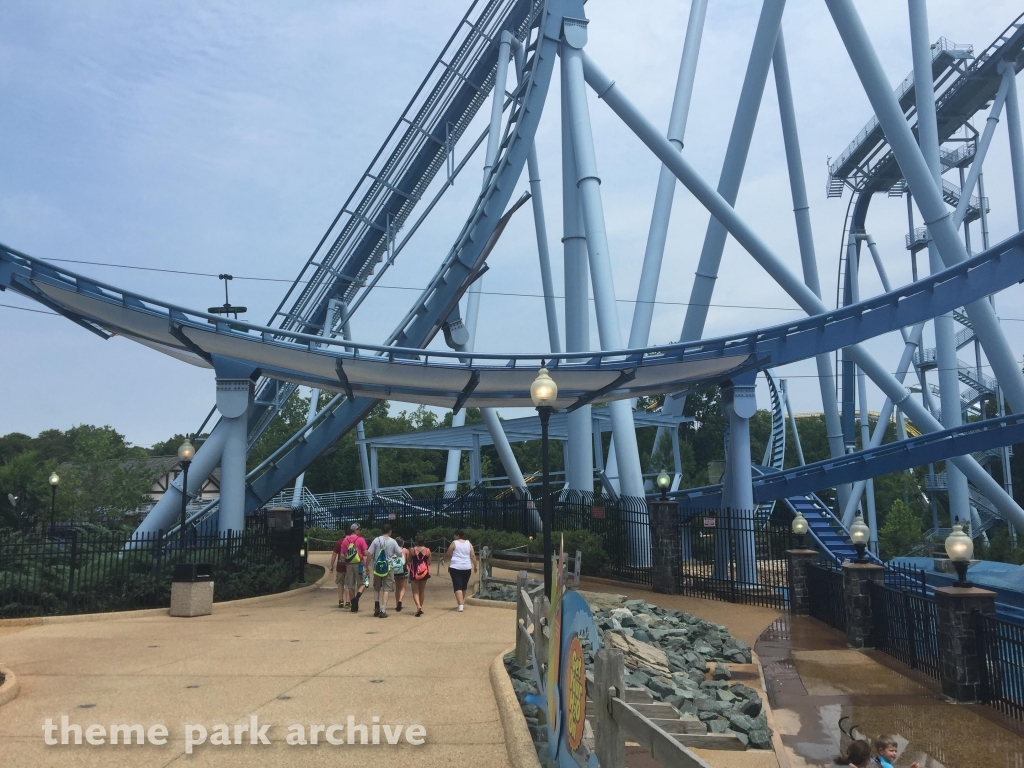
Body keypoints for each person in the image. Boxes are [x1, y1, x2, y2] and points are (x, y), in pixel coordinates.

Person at [365, 523, 403, 618]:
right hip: (388, 568)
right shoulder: (393, 541)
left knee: (376, 588)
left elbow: (370, 554)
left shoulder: (376, 540)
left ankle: (376, 606)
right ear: (390, 531)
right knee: (386, 589)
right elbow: (400, 554)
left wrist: (367, 566)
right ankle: (383, 610)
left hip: (377, 568)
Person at [335, 523, 367, 611]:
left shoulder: (345, 540)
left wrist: (348, 557)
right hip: (359, 564)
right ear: (355, 530)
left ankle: (354, 606)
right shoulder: (361, 540)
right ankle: (357, 597)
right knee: (363, 583)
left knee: (350, 585)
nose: (361, 531)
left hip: (348, 565)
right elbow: (365, 552)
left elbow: (342, 555)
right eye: (360, 530)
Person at [444, 529, 477, 612]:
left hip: (455, 566)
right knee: (463, 586)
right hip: (467, 566)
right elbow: (472, 555)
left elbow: (448, 553)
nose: (454, 536)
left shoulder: (454, 543)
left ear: (457, 535)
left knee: (457, 586)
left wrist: (443, 558)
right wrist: (475, 565)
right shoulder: (469, 543)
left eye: (454, 535)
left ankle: (460, 604)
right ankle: (461, 603)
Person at [408, 534, 431, 617]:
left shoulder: (412, 550)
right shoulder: (427, 550)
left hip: (414, 572)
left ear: (416, 541)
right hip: (424, 572)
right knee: (421, 591)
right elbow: (430, 562)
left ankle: (418, 606)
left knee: (415, 591)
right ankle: (420, 606)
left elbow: (409, 560)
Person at [392, 536, 410, 612]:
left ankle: (397, 603)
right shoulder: (405, 550)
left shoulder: (393, 551)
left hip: (395, 570)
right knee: (403, 587)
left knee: (397, 587)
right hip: (403, 569)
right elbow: (408, 561)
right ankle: (400, 600)